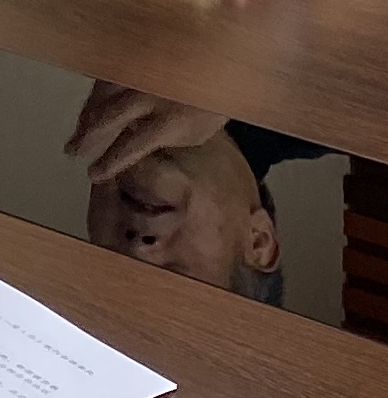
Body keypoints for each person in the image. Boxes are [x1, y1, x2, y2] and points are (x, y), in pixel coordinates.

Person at [70, 84, 285, 304]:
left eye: (113, 259)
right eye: (173, 274)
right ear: (258, 241)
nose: (138, 248)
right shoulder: (302, 98)